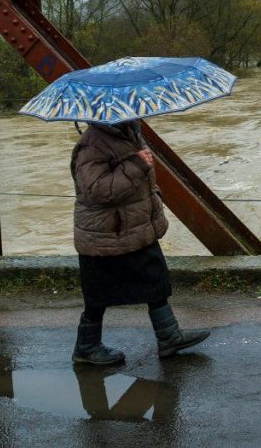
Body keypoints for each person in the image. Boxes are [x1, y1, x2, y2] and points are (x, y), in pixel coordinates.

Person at [69, 118, 209, 365]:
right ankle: (87, 346)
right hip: (105, 235)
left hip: (132, 226)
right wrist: (135, 165)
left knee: (155, 279)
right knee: (98, 294)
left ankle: (169, 336)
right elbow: (97, 190)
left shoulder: (128, 130)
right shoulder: (91, 145)